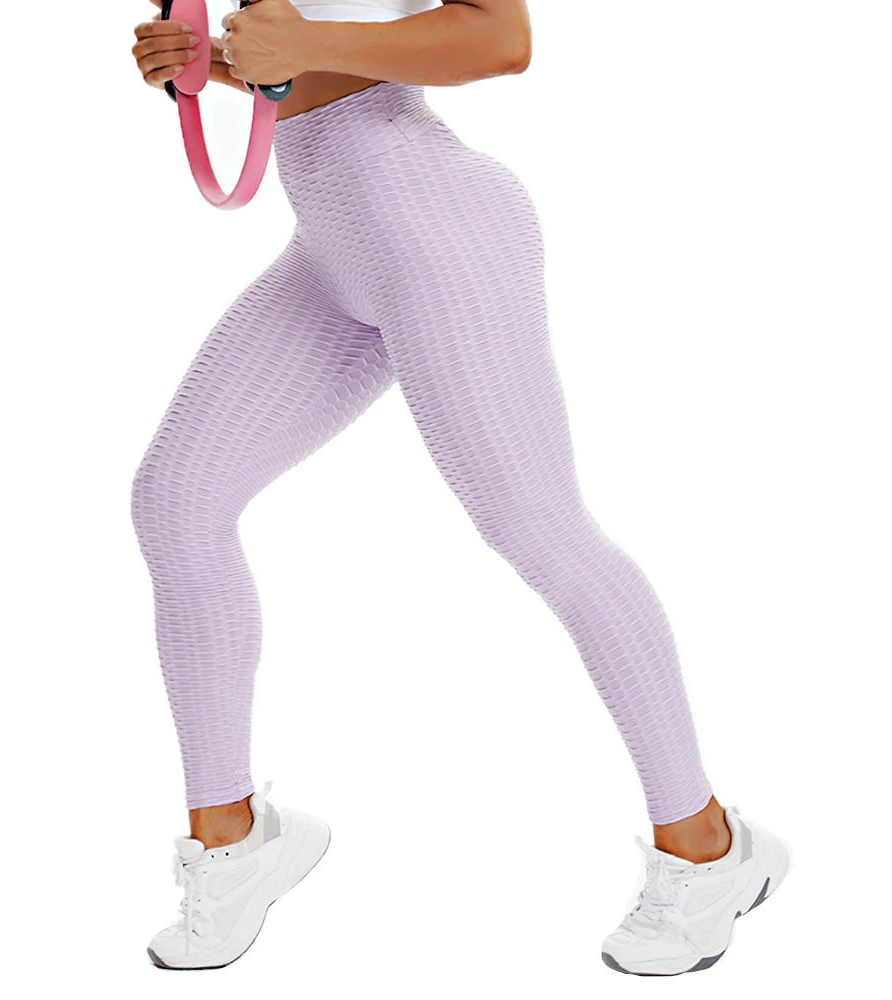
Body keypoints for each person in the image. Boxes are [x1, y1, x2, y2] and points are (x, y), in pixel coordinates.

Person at [129, 0, 791, 976]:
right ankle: (234, 840)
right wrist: (208, 63)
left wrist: (303, 44)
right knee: (175, 501)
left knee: (542, 530)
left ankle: (709, 848)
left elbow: (500, 37)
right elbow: (307, 67)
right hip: (333, 243)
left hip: (438, 229)